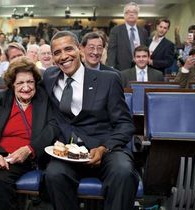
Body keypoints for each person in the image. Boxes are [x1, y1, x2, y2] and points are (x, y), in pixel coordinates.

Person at [43, 31, 138, 210]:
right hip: (69, 151)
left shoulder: (108, 79)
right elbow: (22, 85)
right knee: (54, 174)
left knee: (123, 172)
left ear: (79, 49)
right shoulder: (49, 77)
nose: (63, 56)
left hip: (105, 148)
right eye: (57, 52)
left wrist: (104, 148)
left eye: (68, 49)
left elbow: (125, 124)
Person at [0, 56, 59, 210]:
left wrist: (30, 149)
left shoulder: (45, 100)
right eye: (20, 83)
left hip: (23, 155)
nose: (26, 87)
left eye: (30, 82)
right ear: (12, 84)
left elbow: (53, 128)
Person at [107, 2, 148, 70]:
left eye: (134, 12)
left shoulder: (144, 32)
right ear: (124, 15)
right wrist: (111, 67)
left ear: (137, 15)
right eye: (128, 12)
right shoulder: (116, 30)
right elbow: (112, 50)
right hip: (121, 68)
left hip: (140, 67)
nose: (131, 14)